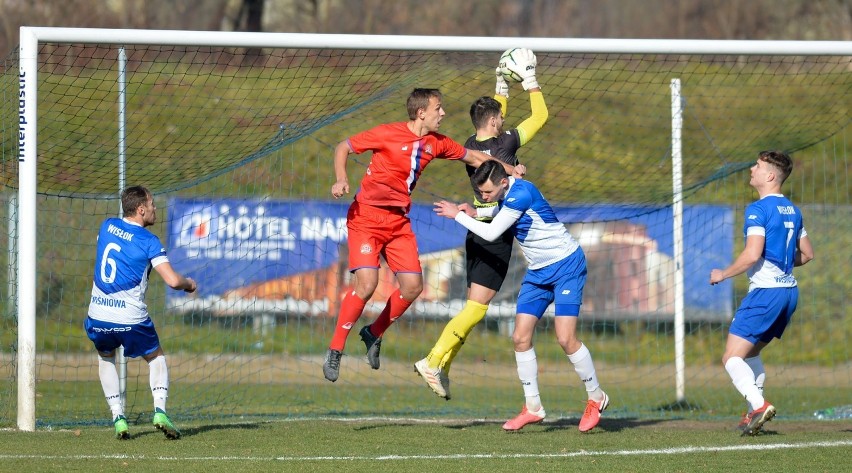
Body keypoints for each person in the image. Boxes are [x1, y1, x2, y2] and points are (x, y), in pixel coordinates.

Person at [323, 88, 523, 383]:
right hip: (365, 217)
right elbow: (343, 146)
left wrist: (511, 170)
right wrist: (341, 178)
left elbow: (475, 157)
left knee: (413, 286)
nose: (443, 114)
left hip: (398, 223)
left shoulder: (436, 143)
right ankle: (335, 350)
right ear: (421, 113)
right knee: (367, 283)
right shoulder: (387, 133)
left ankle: (373, 332)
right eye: (438, 108)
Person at [434, 161, 609, 433]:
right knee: (520, 338)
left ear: (504, 182)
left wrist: (457, 215)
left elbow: (493, 232)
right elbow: (497, 209)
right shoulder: (506, 195)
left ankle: (596, 397)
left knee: (565, 338)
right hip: (538, 273)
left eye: (487, 192)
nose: (483, 197)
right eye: (480, 193)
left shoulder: (523, 192)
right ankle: (533, 407)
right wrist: (477, 211)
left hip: (566, 266)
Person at [414, 48, 548, 401]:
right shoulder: (507, 142)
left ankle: (441, 365)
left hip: (475, 230)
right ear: (494, 123)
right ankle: (432, 360)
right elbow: (541, 116)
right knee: (475, 309)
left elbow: (494, 112)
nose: (504, 121)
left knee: (473, 308)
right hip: (493, 232)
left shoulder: (472, 144)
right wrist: (529, 80)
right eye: (500, 119)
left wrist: (502, 81)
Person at [709, 150, 813, 436]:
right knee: (751, 352)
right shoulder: (793, 209)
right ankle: (752, 415)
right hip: (788, 294)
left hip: (766, 293)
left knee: (731, 357)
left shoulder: (758, 209)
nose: (751, 169)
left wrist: (723, 274)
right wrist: (779, 261)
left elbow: (752, 255)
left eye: (757, 166)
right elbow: (807, 254)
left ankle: (758, 405)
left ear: (770, 176)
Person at [85, 186, 197, 440]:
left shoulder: (107, 225)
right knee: (156, 358)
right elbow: (171, 280)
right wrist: (189, 284)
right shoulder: (149, 241)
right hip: (130, 317)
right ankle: (159, 410)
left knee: (106, 358)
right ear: (141, 209)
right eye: (152, 204)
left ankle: (118, 418)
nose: (156, 208)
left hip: (99, 314)